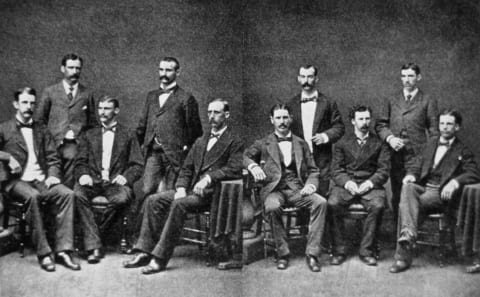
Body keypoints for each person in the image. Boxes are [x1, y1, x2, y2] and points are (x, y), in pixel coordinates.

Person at [123, 99, 243, 274]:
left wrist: (209, 178)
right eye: (209, 112)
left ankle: (160, 258)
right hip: (190, 190)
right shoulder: (201, 141)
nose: (211, 117)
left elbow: (233, 168)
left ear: (227, 115)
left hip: (213, 195)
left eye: (216, 113)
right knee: (153, 200)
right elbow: (186, 168)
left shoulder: (235, 141)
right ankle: (144, 251)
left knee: (179, 204)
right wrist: (180, 188)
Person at [390, 109, 480, 273]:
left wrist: (455, 181)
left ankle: (403, 256)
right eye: (442, 123)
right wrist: (410, 175)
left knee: (406, 206)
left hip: (442, 195)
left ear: (457, 127)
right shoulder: (431, 143)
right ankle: (408, 235)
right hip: (425, 188)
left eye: (449, 124)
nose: (445, 127)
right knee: (407, 187)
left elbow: (474, 172)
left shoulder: (462, 149)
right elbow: (417, 164)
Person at [0, 87, 79, 272]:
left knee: (67, 194)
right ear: (16, 104)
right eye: (25, 103)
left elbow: (53, 157)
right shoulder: (4, 128)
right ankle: (44, 253)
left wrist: (52, 176)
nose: (29, 107)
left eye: (32, 103)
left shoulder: (41, 129)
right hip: (16, 182)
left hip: (40, 180)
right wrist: (8, 158)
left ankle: (63, 250)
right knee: (33, 197)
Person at [244, 104, 327, 272]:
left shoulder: (301, 143)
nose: (282, 121)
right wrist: (253, 167)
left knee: (321, 203)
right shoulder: (262, 143)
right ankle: (282, 253)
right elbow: (243, 156)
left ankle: (312, 254)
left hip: (297, 189)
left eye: (285, 117)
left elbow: (313, 170)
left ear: (290, 119)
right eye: (278, 118)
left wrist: (311, 185)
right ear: (272, 120)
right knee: (273, 206)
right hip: (273, 190)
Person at [74, 95, 143, 264]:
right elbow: (80, 162)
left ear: (116, 111)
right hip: (93, 182)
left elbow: (137, 164)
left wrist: (125, 177)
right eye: (100, 108)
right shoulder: (89, 134)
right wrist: (83, 175)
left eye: (107, 108)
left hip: (115, 184)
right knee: (77, 194)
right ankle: (95, 244)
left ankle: (92, 243)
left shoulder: (128, 134)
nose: (102, 112)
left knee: (122, 198)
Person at [375, 63, 438, 222]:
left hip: (417, 156)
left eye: (410, 76)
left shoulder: (427, 100)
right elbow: (380, 124)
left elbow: (434, 130)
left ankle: (413, 231)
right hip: (395, 155)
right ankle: (399, 235)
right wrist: (390, 138)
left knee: (412, 192)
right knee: (396, 193)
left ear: (418, 77)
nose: (407, 80)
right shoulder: (391, 99)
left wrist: (431, 154)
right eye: (404, 76)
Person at [328, 105, 390, 266]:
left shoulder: (380, 143)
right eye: (361, 119)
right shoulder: (342, 143)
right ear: (353, 121)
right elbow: (335, 170)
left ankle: (367, 250)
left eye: (367, 118)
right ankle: (339, 250)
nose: (364, 122)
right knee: (332, 203)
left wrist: (370, 183)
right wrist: (347, 183)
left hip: (370, 184)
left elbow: (383, 170)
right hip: (347, 184)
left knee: (377, 205)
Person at [136, 56, 202, 196]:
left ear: (177, 72)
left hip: (175, 155)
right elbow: (142, 125)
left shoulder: (186, 98)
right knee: (147, 190)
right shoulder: (151, 96)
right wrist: (143, 145)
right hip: (153, 153)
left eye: (168, 70)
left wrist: (184, 149)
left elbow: (195, 131)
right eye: (161, 70)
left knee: (170, 193)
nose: (163, 74)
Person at [34, 53, 97, 189]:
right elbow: (39, 120)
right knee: (50, 180)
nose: (74, 72)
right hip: (52, 144)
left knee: (69, 183)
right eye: (70, 67)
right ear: (63, 69)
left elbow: (93, 123)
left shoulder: (87, 93)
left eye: (77, 68)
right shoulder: (50, 92)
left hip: (76, 145)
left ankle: (67, 205)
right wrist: (45, 141)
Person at [288, 65, 345, 195]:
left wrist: (325, 136)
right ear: (298, 79)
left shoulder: (328, 103)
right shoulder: (291, 104)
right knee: (302, 199)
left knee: (321, 198)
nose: (306, 80)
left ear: (316, 79)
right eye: (303, 77)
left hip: (322, 160)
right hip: (299, 160)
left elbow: (340, 127)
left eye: (310, 76)